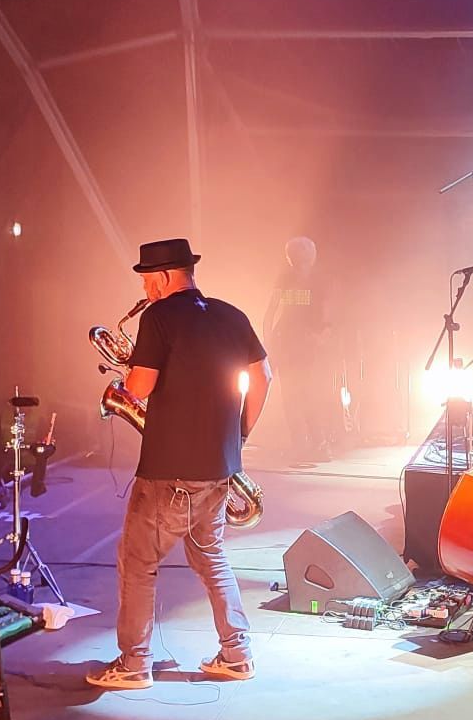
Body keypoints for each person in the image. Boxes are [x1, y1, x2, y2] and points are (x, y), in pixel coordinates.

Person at [87, 238, 273, 690]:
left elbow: (139, 388)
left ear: (166, 276)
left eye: (148, 280)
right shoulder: (231, 314)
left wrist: (129, 370)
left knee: (138, 563)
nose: (145, 290)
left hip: (168, 471)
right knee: (211, 557)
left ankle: (134, 664)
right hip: (219, 467)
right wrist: (239, 435)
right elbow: (264, 376)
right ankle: (237, 654)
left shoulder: (159, 317)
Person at [263, 237, 336, 461]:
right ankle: (302, 445)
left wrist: (322, 336)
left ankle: (319, 444)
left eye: (305, 255)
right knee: (291, 396)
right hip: (288, 344)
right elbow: (271, 311)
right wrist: (268, 342)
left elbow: (328, 313)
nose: (301, 260)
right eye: (297, 255)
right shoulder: (284, 280)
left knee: (309, 394)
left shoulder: (319, 281)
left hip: (308, 345)